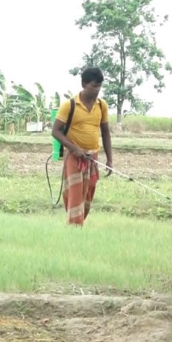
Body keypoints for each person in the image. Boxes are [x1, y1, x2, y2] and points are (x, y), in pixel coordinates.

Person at [52, 67, 113, 226]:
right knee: (76, 193)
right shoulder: (69, 105)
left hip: (92, 157)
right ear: (84, 84)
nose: (97, 90)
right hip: (74, 156)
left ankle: (78, 222)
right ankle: (74, 227)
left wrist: (110, 160)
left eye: (99, 86)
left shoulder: (101, 105)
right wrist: (74, 149)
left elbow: (105, 132)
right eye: (94, 86)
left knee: (88, 192)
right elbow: (56, 131)